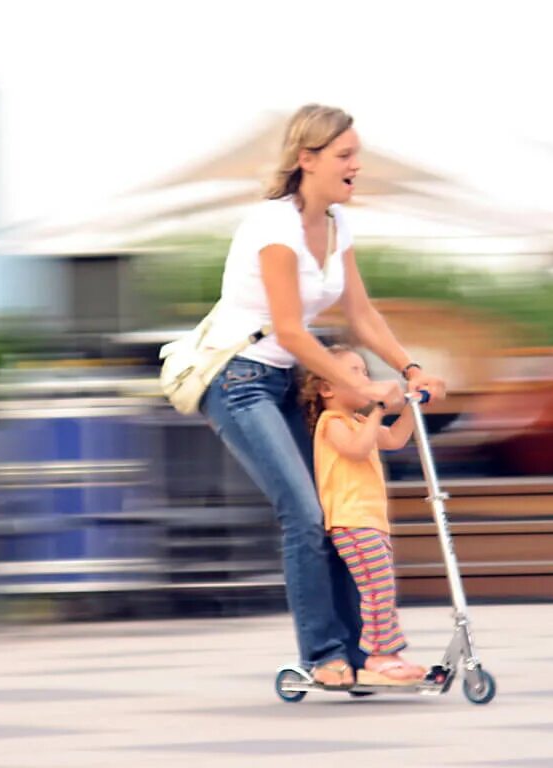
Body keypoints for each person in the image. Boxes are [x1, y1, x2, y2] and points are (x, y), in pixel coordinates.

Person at [199, 104, 446, 688]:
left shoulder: (338, 226)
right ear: (306, 160)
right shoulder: (273, 226)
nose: (356, 166)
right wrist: (362, 387)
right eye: (345, 156)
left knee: (336, 514)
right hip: (238, 379)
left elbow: (360, 313)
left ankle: (366, 655)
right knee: (305, 514)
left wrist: (410, 367)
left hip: (287, 380)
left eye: (356, 154)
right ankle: (325, 654)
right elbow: (289, 330)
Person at [301, 344, 425, 685]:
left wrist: (411, 406)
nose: (365, 379)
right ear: (327, 388)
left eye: (365, 372)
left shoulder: (357, 420)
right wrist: (379, 411)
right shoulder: (332, 422)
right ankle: (380, 657)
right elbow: (356, 451)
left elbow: (396, 439)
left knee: (381, 587)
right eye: (354, 372)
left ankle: (388, 653)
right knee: (377, 589)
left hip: (371, 521)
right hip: (350, 520)